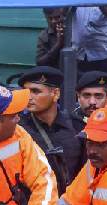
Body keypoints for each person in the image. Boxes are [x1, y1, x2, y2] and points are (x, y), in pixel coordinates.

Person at [18, 66, 85, 195]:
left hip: (72, 203)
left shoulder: (76, 126)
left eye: (36, 91)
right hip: (35, 204)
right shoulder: (19, 129)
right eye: (26, 92)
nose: (29, 97)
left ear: (55, 94)